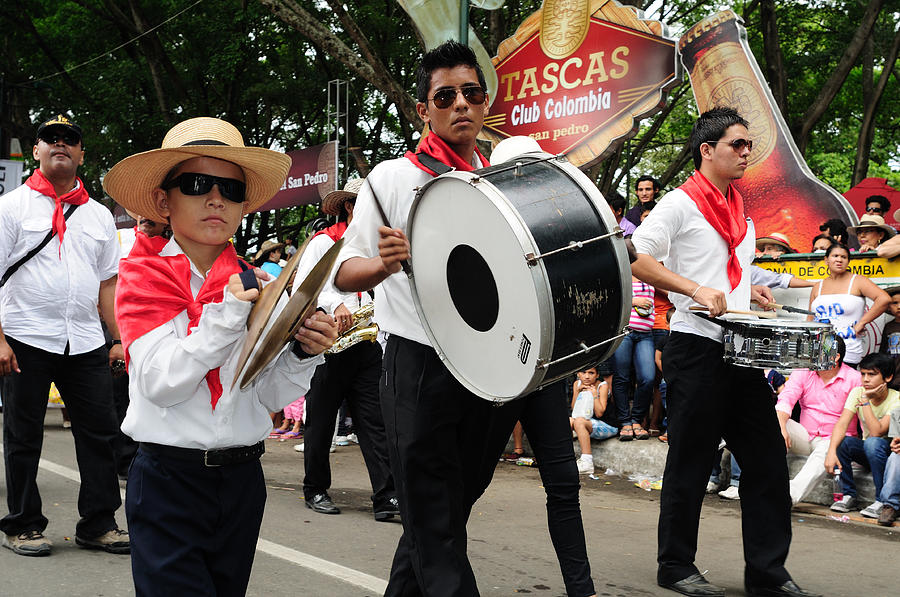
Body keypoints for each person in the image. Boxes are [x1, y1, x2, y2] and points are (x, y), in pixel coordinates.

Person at [103, 116, 338, 595]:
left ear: (244, 204)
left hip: (243, 481)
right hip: (169, 480)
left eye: (230, 189)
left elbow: (265, 392)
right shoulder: (142, 276)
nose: (215, 198)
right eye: (196, 184)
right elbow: (159, 382)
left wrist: (302, 352)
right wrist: (228, 313)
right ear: (164, 202)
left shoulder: (262, 286)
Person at [332, 41, 499, 596]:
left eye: (470, 94)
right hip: (417, 364)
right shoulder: (390, 179)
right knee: (434, 519)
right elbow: (344, 274)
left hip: (486, 366)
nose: (461, 105)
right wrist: (382, 265)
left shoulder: (503, 177)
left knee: (443, 515)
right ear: (424, 109)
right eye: (445, 96)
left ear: (484, 102)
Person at [631, 107, 818, 597]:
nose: (745, 152)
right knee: (690, 461)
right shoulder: (678, 203)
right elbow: (637, 257)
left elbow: (730, 269)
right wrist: (693, 289)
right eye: (736, 144)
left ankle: (768, 573)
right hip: (694, 347)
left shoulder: (740, 209)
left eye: (748, 144)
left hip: (741, 351)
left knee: (767, 462)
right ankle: (674, 565)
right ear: (707, 149)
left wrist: (748, 292)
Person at [0, 115, 129, 557]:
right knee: (23, 435)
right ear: (36, 150)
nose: (60, 144)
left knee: (100, 433)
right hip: (24, 336)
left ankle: (98, 523)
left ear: (81, 154)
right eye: (50, 139)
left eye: (69, 140)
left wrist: (117, 338)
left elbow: (108, 283)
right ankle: (23, 524)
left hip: (86, 341)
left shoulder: (97, 215)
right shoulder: (10, 207)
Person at [295, 177, 397, 521]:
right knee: (321, 421)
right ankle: (316, 489)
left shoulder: (374, 246)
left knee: (375, 422)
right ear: (350, 207)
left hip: (366, 344)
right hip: (327, 343)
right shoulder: (323, 242)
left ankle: (386, 497)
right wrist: (334, 303)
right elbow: (304, 288)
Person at [775, 337, 861, 505]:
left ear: (835, 357)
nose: (812, 356)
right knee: (772, 422)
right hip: (805, 436)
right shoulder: (803, 372)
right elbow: (786, 400)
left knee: (825, 449)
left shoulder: (855, 379)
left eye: (818, 352)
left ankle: (787, 497)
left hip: (834, 440)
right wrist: (781, 427)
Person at [824, 353, 900, 519]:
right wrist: (831, 451)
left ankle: (881, 500)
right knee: (842, 442)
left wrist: (865, 401)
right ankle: (848, 495)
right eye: (863, 374)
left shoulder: (896, 399)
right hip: (868, 451)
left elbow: (877, 431)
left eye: (872, 374)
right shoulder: (857, 392)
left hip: (888, 454)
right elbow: (842, 424)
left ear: (888, 377)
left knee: (873, 442)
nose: (865, 379)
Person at [807, 242, 890, 368]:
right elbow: (810, 318)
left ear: (848, 261)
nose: (839, 260)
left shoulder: (857, 281)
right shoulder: (818, 286)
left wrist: (862, 323)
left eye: (844, 257)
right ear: (826, 260)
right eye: (835, 256)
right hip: (819, 351)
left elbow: (884, 299)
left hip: (848, 350)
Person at [612, 275, 656, 441]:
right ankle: (625, 422)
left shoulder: (648, 272)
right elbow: (611, 296)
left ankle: (637, 420)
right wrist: (634, 301)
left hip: (646, 334)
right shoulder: (621, 270)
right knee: (621, 377)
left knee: (648, 378)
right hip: (624, 332)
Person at [570, 366, 606, 475]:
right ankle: (564, 458)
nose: (587, 376)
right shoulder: (577, 384)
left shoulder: (602, 386)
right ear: (578, 374)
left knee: (579, 421)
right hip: (584, 422)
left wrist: (594, 395)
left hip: (604, 425)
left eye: (591, 373)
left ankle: (587, 462)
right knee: (568, 421)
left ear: (597, 375)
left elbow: (600, 413)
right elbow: (573, 409)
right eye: (583, 372)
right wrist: (577, 391)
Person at [876, 406, 900, 526]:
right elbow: (896, 440)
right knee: (895, 456)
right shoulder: (898, 412)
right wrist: (896, 444)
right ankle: (890, 505)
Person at [879, 287, 900, 388]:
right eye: (895, 303)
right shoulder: (889, 327)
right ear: (888, 307)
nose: (899, 306)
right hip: (894, 379)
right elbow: (883, 353)